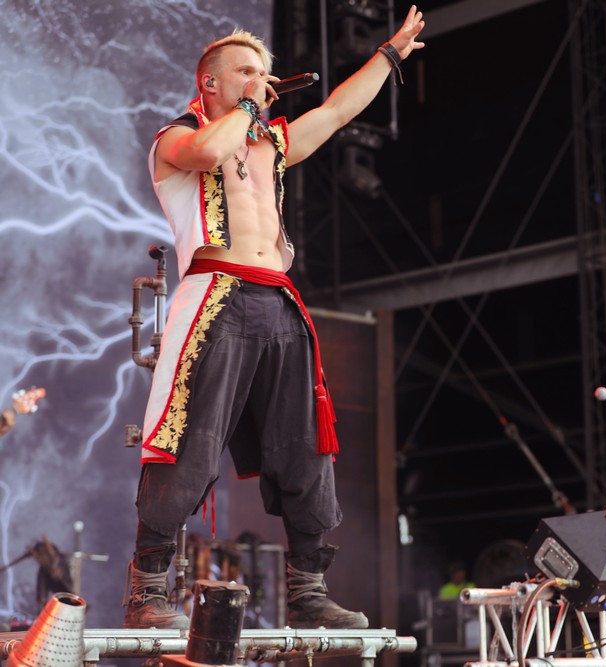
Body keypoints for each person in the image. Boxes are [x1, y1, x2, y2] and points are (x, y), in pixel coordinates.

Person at [123, 9, 425, 631]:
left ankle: (308, 592)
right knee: (187, 440)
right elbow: (210, 149)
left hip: (279, 300)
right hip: (214, 295)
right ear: (209, 82)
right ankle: (149, 591)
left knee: (305, 444)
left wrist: (389, 56)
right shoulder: (176, 138)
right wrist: (248, 106)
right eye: (246, 72)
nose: (260, 82)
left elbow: (337, 112)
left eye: (264, 74)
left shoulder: (270, 144)